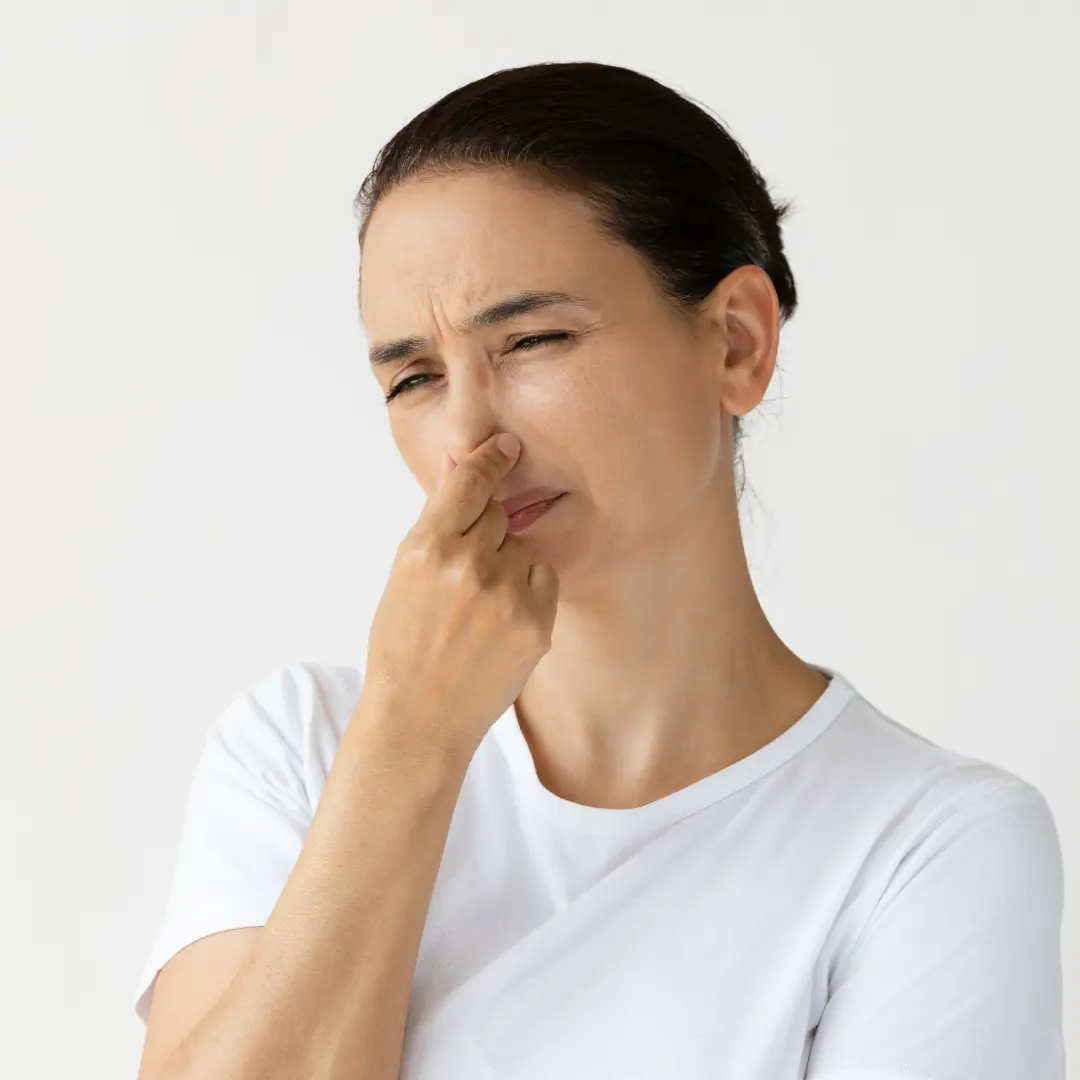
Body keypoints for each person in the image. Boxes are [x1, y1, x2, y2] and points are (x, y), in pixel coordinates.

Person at [133, 61, 1065, 1080]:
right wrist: (408, 740)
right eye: (415, 378)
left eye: (534, 340)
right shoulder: (303, 755)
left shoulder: (927, 847)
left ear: (737, 344)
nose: (467, 435)